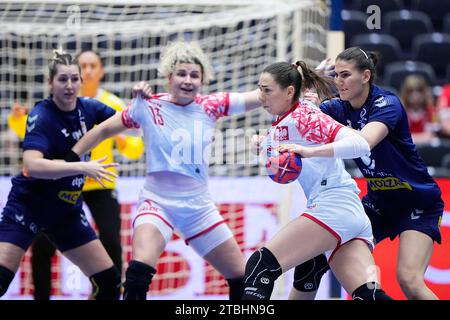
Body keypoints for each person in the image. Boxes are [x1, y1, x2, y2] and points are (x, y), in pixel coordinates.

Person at [67, 41, 262, 300]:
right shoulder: (147, 105)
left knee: (242, 279)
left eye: (195, 75)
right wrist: (68, 159)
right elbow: (102, 129)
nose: (188, 80)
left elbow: (261, 95)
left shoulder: (212, 105)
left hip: (199, 208)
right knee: (138, 272)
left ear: (203, 79)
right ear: (168, 77)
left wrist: (303, 74)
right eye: (181, 73)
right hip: (157, 204)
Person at [289, 47, 444, 300]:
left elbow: (364, 142)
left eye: (346, 75)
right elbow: (300, 119)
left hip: (416, 202)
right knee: (314, 259)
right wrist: (310, 82)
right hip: (379, 203)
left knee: (409, 280)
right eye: (336, 75)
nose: (339, 81)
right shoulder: (338, 108)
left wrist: (311, 152)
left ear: (366, 76)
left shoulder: (387, 103)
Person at [241, 60, 392, 300]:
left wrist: (309, 152)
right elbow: (282, 139)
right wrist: (260, 144)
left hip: (333, 206)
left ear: (289, 91)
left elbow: (360, 143)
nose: (261, 96)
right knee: (364, 294)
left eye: (266, 90)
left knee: (260, 268)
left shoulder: (305, 117)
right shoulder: (290, 116)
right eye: (259, 88)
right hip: (347, 212)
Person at [0, 49, 121, 299]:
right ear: (50, 83)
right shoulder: (41, 115)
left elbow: (129, 125)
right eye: (62, 79)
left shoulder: (90, 108)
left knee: (109, 282)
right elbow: (33, 165)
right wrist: (81, 166)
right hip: (29, 206)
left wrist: (142, 104)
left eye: (74, 79)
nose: (69, 85)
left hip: (65, 212)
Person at [29, 50, 143, 300]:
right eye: (84, 66)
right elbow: (34, 132)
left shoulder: (113, 104)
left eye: (94, 66)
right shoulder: (61, 101)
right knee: (42, 243)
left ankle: (107, 295)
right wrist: (17, 121)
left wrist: (122, 140)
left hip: (100, 183)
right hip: (64, 181)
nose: (89, 71)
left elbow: (137, 148)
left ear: (101, 71)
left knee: (112, 241)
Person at [399, 74, 438, 145]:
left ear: (425, 93)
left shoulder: (432, 112)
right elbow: (402, 138)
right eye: (411, 92)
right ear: (405, 94)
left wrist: (413, 139)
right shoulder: (400, 112)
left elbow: (431, 135)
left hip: (426, 149)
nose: (415, 96)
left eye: (419, 91)